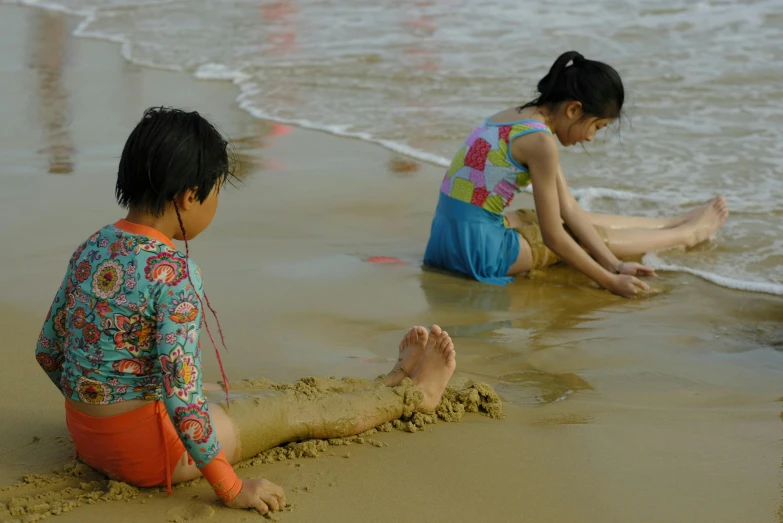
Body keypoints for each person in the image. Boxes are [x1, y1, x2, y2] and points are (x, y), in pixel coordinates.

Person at [34, 107, 457, 515]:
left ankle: (390, 379)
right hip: (148, 457)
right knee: (293, 411)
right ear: (188, 197)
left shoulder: (93, 247)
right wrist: (230, 487)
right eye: (215, 193)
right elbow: (180, 399)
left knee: (220, 392)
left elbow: (48, 351)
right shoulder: (172, 274)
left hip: (87, 439)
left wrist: (97, 416)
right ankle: (416, 395)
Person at [423, 50, 729, 297]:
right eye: (596, 126)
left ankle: (671, 222)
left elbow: (568, 207)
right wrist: (610, 280)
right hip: (478, 255)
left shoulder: (518, 118)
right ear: (573, 110)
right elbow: (554, 237)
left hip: (445, 240)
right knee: (572, 236)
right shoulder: (541, 142)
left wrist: (615, 263)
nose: (591, 137)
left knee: (542, 215)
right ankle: (688, 234)